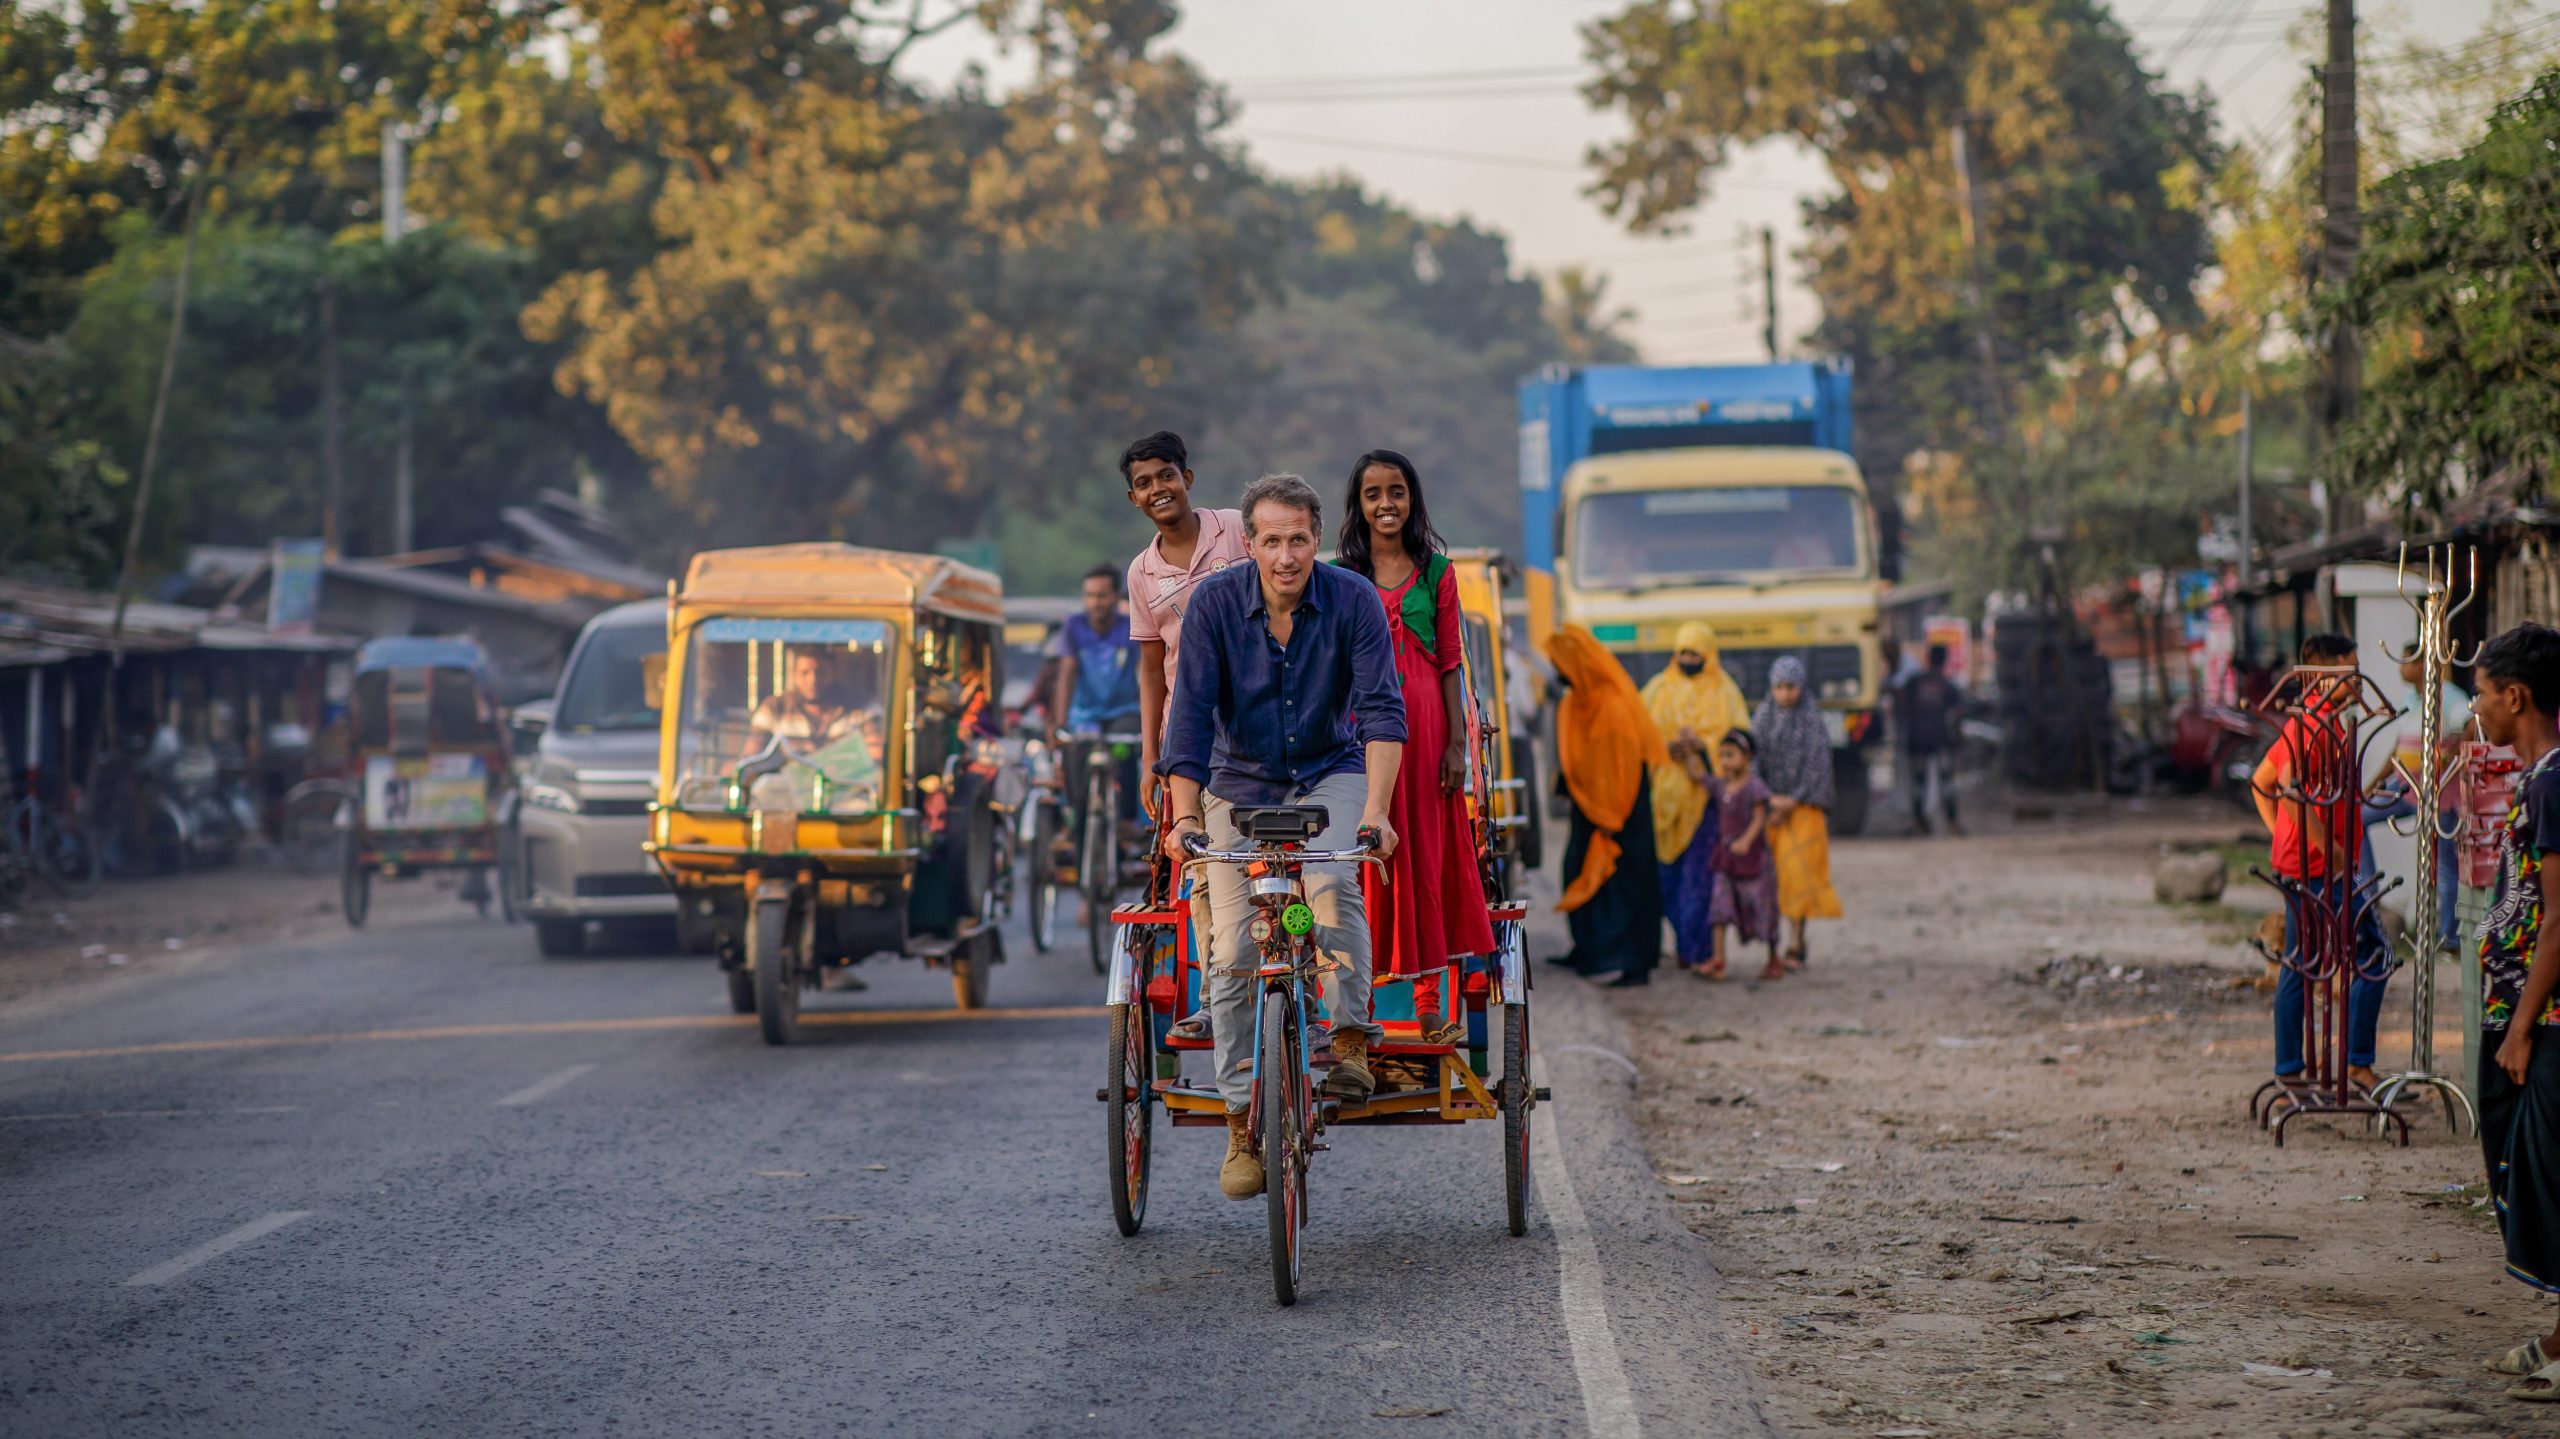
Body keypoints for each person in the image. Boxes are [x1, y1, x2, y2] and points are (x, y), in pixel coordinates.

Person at [1157, 472, 1406, 1200]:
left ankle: (1352, 1037)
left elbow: (1383, 713)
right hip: (1235, 783)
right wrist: (1183, 818)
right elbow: (1190, 720)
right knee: (1233, 948)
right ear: (1251, 543)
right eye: (1272, 540)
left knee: (1330, 880)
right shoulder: (1212, 604)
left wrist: (1378, 813)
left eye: (1299, 538)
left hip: (1330, 770)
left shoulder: (1353, 599)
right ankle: (1242, 1126)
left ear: (1317, 539)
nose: (1287, 555)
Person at [1336, 448, 1493, 1045]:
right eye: (1373, 494)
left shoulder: (1438, 573)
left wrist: (1457, 745)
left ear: (1412, 499)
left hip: (1427, 734)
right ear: (1358, 503)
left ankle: (1429, 1004)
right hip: (1362, 731)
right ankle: (1355, 1008)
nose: (1385, 505)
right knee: (1362, 860)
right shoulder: (1341, 576)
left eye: (1396, 492)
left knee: (1425, 859)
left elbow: (1451, 663)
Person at [1119, 431, 1250, 1046]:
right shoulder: (1141, 573)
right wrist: (1152, 757)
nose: (1158, 489)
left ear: (1187, 479)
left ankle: (1297, 988)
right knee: (1198, 862)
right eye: (1144, 483)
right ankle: (1214, 995)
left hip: (1259, 717)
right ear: (1133, 498)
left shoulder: (1238, 529)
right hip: (1189, 734)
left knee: (1279, 858)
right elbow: (1151, 672)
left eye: (1165, 475)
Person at [2461, 623, 2560, 1402]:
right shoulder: (2539, 779)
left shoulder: (2552, 783)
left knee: (2544, 1172)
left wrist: (2523, 1025)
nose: (2477, 705)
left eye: (2483, 690)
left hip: (2545, 1017)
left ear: (2516, 696)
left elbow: (2558, 918)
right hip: (2527, 1007)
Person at [2251, 633, 2392, 1106]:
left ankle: (2292, 1070)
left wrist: (2283, 837)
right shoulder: (2311, 724)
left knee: (2301, 963)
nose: (2356, 682)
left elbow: (2261, 782)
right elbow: (2286, 788)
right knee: (2375, 957)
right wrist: (2326, 849)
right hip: (2321, 868)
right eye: (2350, 671)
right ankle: (2357, 1064)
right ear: (2325, 670)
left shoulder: (2315, 720)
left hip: (2309, 862)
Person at [1543, 626, 1668, 987]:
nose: (1558, 672)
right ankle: (1590, 951)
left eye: (1561, 664)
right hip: (1590, 807)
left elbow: (1623, 767)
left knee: (1629, 885)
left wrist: (1612, 817)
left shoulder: (1613, 707)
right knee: (1577, 871)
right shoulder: (1575, 703)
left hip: (1622, 811)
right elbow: (1578, 754)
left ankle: (1635, 963)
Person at [1640, 622, 1751, 973]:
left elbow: (1741, 739)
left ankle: (1701, 951)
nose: (1688, 659)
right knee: (1668, 879)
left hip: (1705, 803)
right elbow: (1639, 735)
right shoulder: (1658, 689)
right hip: (1665, 801)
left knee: (1699, 882)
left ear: (1708, 655)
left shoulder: (1725, 692)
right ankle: (1682, 946)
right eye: (1683, 652)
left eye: (1695, 654)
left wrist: (1704, 747)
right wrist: (1666, 747)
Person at [1755, 656, 1843, 966]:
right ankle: (1774, 945)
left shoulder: (1812, 719)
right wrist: (1770, 800)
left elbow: (1818, 764)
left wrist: (1792, 800)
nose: (1785, 694)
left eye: (1791, 687)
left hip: (1804, 810)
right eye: (1779, 687)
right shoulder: (1763, 717)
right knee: (1772, 879)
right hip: (1770, 811)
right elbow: (1753, 763)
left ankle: (1795, 940)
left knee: (1799, 876)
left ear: (1801, 687)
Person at [1052, 562, 1143, 827]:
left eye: (1101, 595)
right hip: (1084, 715)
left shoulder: (1131, 626)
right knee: (1077, 776)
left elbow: (1144, 672)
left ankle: (1126, 821)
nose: (1095, 602)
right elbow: (1066, 673)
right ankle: (1077, 827)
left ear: (1116, 596)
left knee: (1123, 754)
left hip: (1123, 713)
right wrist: (1059, 722)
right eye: (1089, 595)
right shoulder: (1073, 626)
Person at [1705, 729, 1782, 982]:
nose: (1725, 761)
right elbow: (1697, 777)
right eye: (1722, 755)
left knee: (1762, 906)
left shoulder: (1754, 788)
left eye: (1731, 755)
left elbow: (1760, 819)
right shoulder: (1720, 785)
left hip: (1753, 859)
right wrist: (1691, 751)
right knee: (1720, 904)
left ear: (1747, 757)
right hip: (1726, 857)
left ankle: (1773, 958)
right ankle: (1718, 959)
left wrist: (1746, 841)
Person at [1899, 643, 1965, 836]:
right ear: (1945, 660)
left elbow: (1904, 708)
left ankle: (1920, 824)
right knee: (1947, 784)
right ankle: (1952, 824)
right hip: (1941, 740)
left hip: (1918, 740)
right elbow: (1957, 715)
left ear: (1927, 658)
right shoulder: (1949, 686)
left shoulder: (1914, 683)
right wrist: (1957, 738)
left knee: (1919, 784)